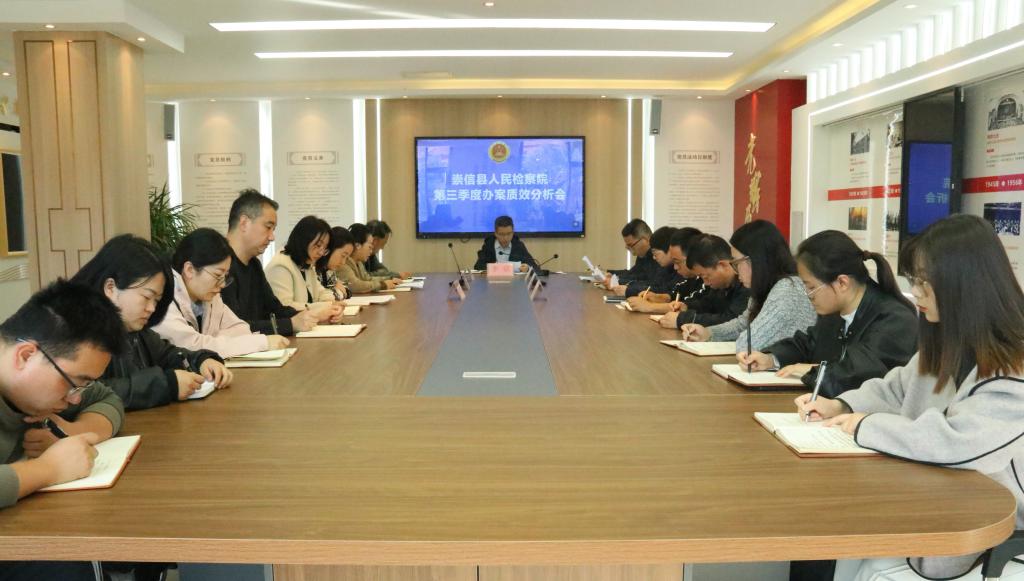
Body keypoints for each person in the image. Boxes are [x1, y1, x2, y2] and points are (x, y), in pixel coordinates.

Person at [799, 215, 1024, 581]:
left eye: (923, 282)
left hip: (991, 529)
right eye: (913, 281)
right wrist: (842, 405)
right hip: (936, 501)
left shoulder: (1014, 363)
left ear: (962, 282)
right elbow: (897, 389)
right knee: (845, 549)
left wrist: (865, 426)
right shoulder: (948, 339)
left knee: (867, 567)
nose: (915, 293)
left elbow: (957, 442)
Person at [0, 280, 126, 579]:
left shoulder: (41, 381)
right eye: (74, 384)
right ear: (26, 356)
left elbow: (108, 400)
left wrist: (75, 431)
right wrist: (49, 469)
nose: (75, 398)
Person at [739, 230, 918, 398]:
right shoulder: (835, 312)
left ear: (842, 283)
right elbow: (807, 344)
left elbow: (858, 373)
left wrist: (811, 370)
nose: (808, 295)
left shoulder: (895, 320)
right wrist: (770, 359)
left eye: (811, 287)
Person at [71, 235, 233, 411]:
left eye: (156, 300)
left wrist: (201, 360)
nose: (152, 308)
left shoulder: (134, 329)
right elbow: (83, 393)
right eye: (147, 297)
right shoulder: (78, 330)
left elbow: (167, 354)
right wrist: (166, 385)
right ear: (111, 288)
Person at [679, 220, 816, 352]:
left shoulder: (788, 289)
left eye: (736, 263)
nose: (735, 271)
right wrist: (708, 333)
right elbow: (742, 324)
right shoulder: (765, 287)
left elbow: (748, 344)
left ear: (755, 260)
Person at [153, 228, 290, 359]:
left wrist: (212, 342)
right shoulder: (163, 298)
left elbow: (242, 329)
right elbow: (192, 346)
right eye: (218, 275)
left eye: (225, 276)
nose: (223, 284)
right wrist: (260, 342)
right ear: (189, 270)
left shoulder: (210, 295)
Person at [220, 189, 318, 336]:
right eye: (268, 227)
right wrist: (291, 324)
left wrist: (309, 316)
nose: (272, 237)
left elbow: (274, 309)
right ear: (244, 223)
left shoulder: (253, 264)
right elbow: (234, 327)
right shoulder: (218, 266)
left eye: (273, 229)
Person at [658, 234, 751, 329]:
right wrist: (686, 307)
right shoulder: (720, 285)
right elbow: (708, 304)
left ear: (722, 265)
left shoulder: (747, 284)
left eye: (705, 276)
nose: (705, 283)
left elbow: (731, 320)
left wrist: (683, 320)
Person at [265, 215, 343, 322]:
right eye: (318, 245)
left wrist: (332, 305)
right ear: (303, 240)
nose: (321, 252)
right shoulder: (281, 265)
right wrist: (323, 307)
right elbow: (284, 307)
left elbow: (321, 292)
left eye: (325, 248)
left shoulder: (306, 264)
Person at [633, 227, 706, 314]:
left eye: (677, 262)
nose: (675, 267)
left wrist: (650, 307)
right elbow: (678, 293)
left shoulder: (707, 281)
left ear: (692, 257)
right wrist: (659, 297)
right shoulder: (692, 278)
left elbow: (695, 306)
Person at [339, 223, 403, 293]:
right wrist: (382, 285)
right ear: (357, 246)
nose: (371, 251)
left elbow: (368, 279)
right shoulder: (344, 263)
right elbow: (354, 285)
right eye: (369, 247)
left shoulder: (359, 263)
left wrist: (390, 279)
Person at [618, 226, 678, 298]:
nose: (654, 257)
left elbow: (664, 291)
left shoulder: (680, 271)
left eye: (655, 253)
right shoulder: (667, 267)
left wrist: (629, 290)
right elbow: (653, 284)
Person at [604, 218, 660, 291]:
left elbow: (649, 283)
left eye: (630, 245)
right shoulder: (642, 255)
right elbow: (633, 273)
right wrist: (611, 274)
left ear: (646, 240)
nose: (626, 247)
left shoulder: (659, 256)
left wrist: (617, 281)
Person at [473, 215, 538, 272]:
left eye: (509, 234)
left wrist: (528, 268)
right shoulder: (489, 245)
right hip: (493, 281)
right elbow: (478, 266)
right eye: (502, 234)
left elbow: (535, 268)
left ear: (513, 232)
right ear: (495, 233)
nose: (506, 238)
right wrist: (494, 267)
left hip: (514, 281)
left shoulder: (518, 246)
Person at [318, 226, 355, 301]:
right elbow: (322, 297)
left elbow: (346, 290)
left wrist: (338, 290)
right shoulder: (315, 268)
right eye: (343, 256)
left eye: (346, 258)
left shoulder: (329, 270)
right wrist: (337, 291)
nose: (343, 262)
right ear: (331, 248)